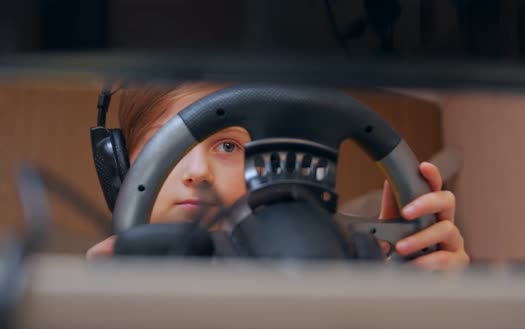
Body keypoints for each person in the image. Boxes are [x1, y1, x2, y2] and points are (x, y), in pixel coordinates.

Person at [86, 81, 469, 271]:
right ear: (120, 167)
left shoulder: (339, 267)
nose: (198, 172)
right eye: (165, 143)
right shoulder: (87, 301)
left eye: (228, 147)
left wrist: (430, 303)